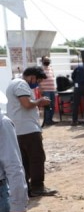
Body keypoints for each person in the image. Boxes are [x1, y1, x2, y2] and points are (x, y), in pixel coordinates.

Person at [5, 67, 57, 197]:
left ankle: (27, 187)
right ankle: (37, 187)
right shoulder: (21, 84)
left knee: (25, 161)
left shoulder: (15, 83)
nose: (37, 84)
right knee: (36, 158)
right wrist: (41, 101)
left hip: (20, 129)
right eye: (37, 80)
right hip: (27, 129)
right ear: (31, 76)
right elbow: (27, 104)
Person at [39, 56, 57, 126]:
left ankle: (50, 119)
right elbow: (38, 80)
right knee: (47, 105)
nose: (47, 61)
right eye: (46, 60)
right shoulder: (40, 69)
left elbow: (52, 77)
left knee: (52, 105)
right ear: (42, 61)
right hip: (45, 90)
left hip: (52, 89)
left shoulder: (51, 68)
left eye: (48, 60)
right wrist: (40, 89)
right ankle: (47, 121)